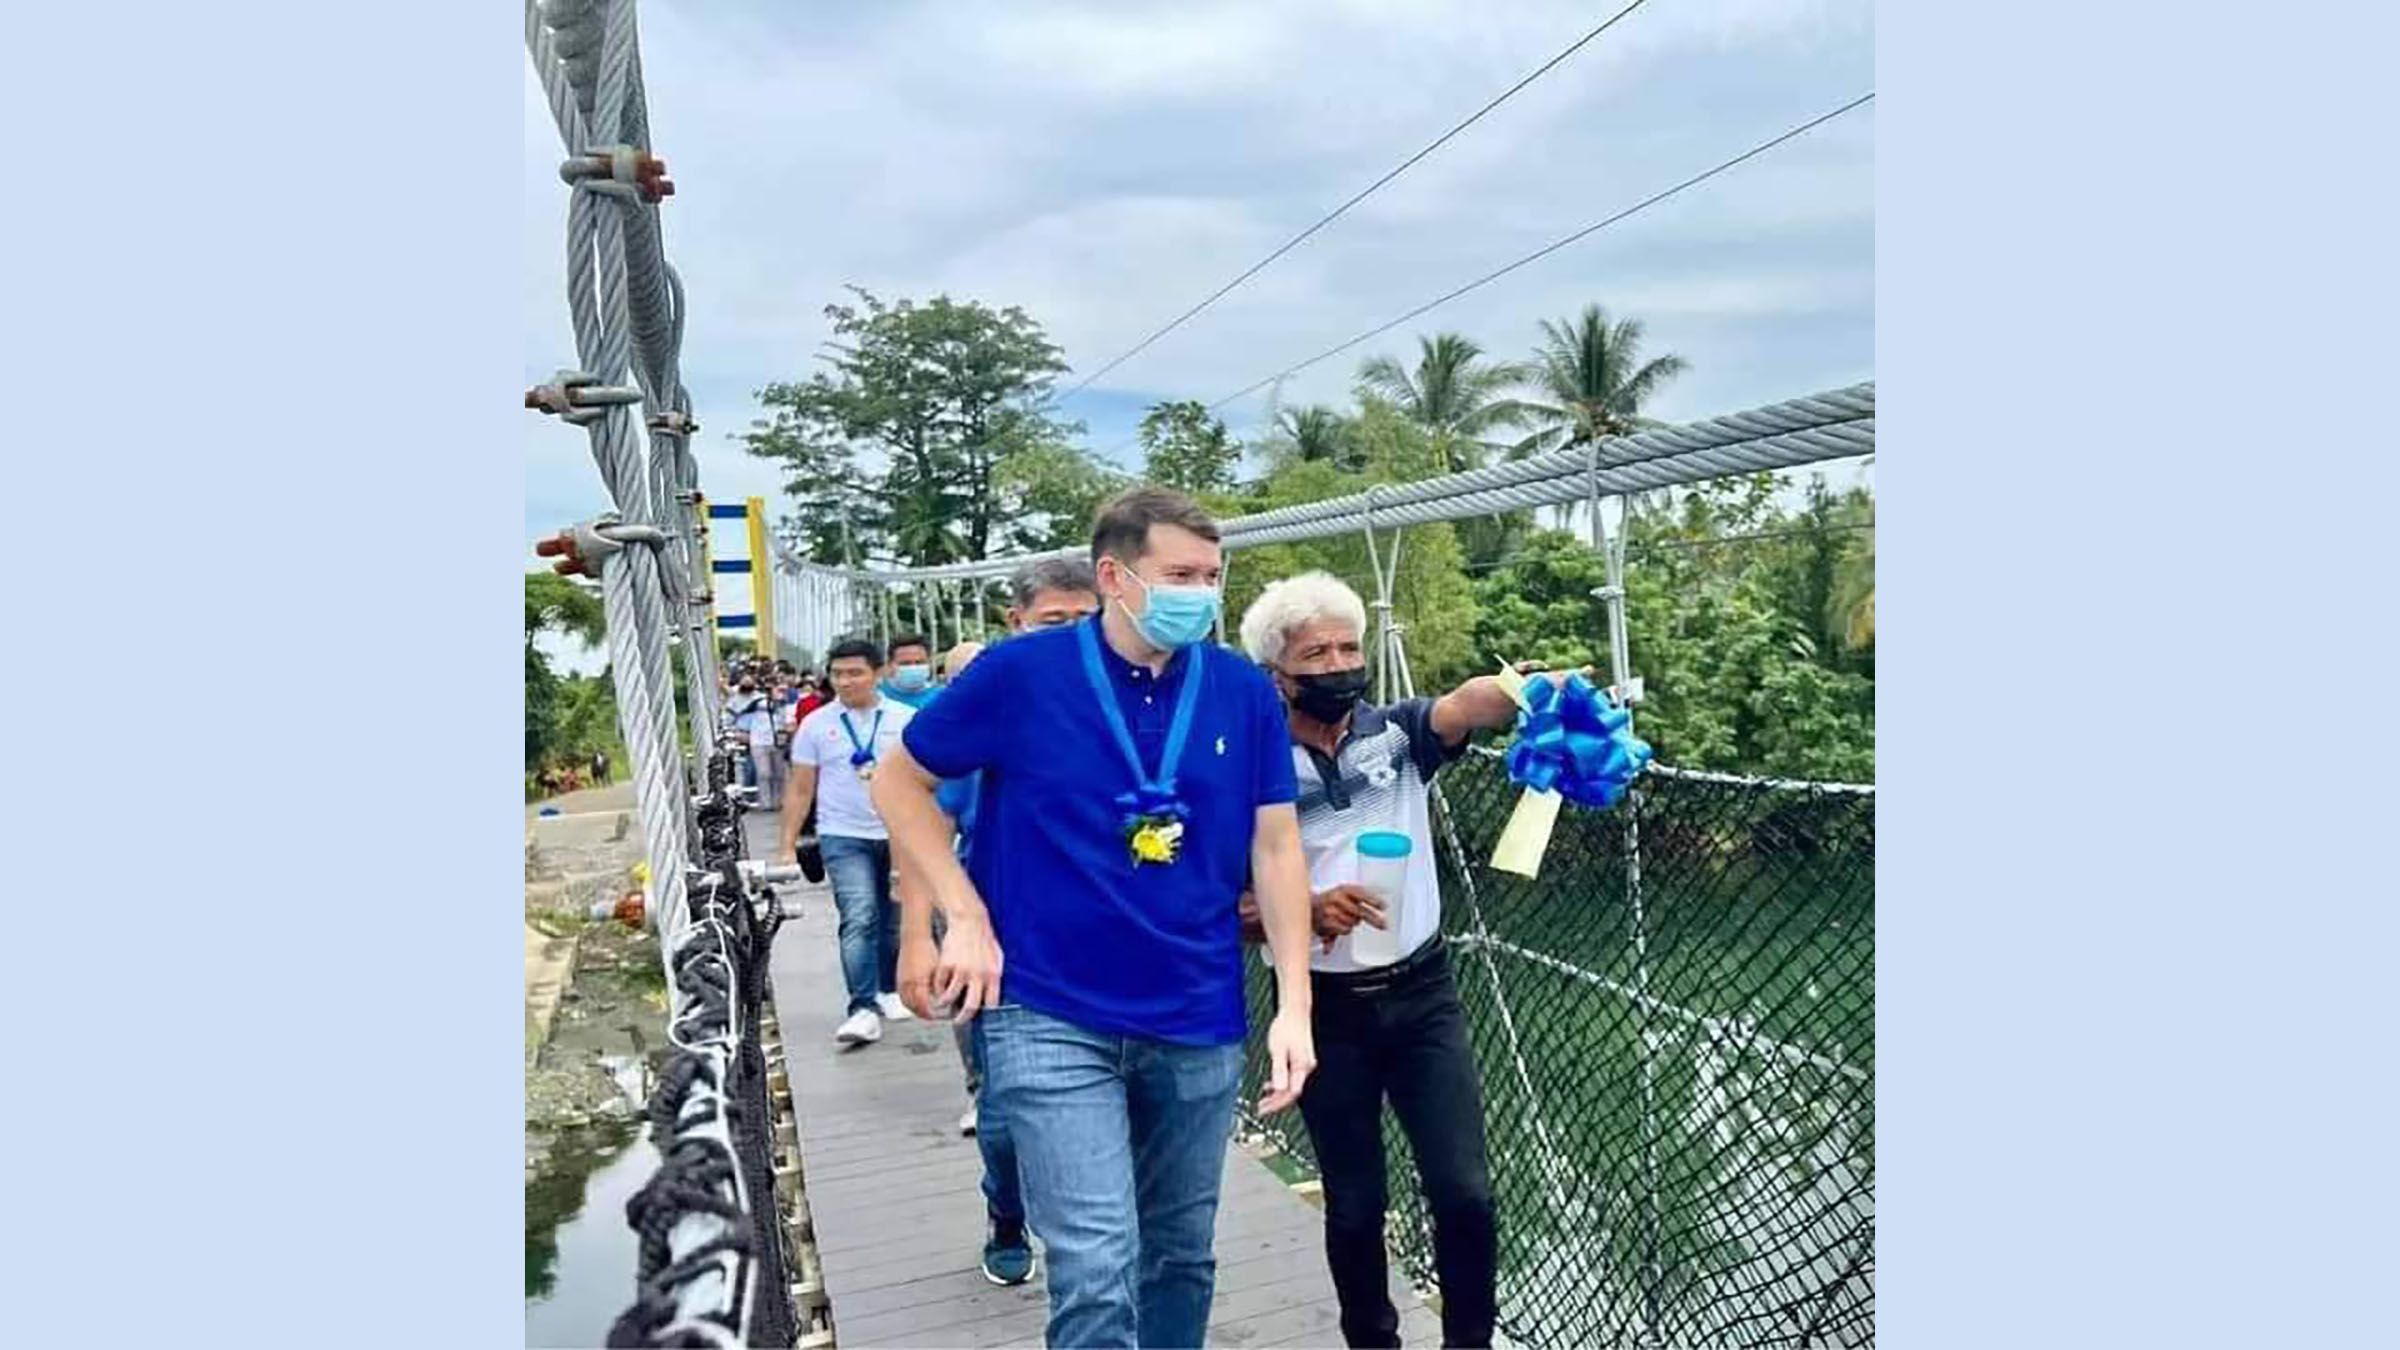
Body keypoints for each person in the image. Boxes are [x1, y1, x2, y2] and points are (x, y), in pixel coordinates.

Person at [874, 487, 1319, 1349]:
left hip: (1197, 1013)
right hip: (1048, 1010)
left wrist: (1294, 1004)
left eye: (1213, 575)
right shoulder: (1018, 674)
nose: (1202, 592)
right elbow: (898, 781)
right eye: (1180, 573)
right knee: (1096, 1263)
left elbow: (1277, 850)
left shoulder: (1241, 692)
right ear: (1116, 575)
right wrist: (959, 916)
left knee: (1180, 1258)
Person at [1233, 570, 1530, 1350]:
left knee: (1465, 1192)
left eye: (1348, 647)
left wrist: (1535, 691)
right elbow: (1221, 908)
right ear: (1279, 673)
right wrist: (1293, 914)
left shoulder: (1397, 735)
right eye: (1316, 654)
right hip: (1326, 1010)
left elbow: (1468, 707)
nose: (1338, 665)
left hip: (1424, 994)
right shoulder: (1243, 764)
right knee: (1357, 1204)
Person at [780, 638, 916, 1044]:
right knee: (859, 915)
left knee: (891, 918)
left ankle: (888, 990)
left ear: (879, 674)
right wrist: (787, 845)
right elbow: (802, 788)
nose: (845, 681)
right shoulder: (816, 724)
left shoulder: (905, 720)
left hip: (896, 833)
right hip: (842, 833)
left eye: (855, 672)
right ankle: (861, 1008)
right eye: (837, 674)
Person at [879, 633, 939, 709]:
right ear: (890, 665)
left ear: (929, 662)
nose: (913, 668)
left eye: (919, 662)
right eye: (905, 663)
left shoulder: (941, 697)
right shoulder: (877, 696)